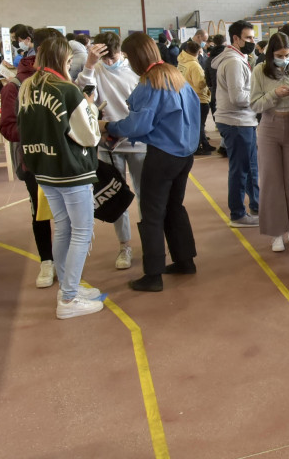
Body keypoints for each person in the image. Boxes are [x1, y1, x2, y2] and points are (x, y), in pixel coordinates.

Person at [103, 33, 200, 292]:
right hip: (184, 154)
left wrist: (109, 126)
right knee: (174, 207)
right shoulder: (175, 75)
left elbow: (139, 124)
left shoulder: (150, 83)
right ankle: (184, 260)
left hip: (162, 155)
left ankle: (153, 274)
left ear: (135, 57)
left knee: (152, 213)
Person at [17, 35, 104, 319]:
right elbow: (89, 135)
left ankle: (70, 286)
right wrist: (90, 106)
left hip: (44, 169)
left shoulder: (27, 87)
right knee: (82, 231)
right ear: (64, 60)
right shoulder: (67, 90)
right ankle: (68, 298)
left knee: (64, 228)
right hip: (71, 170)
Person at [76, 31, 145, 269]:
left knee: (143, 193)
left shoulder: (134, 71)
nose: (109, 62)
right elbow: (81, 94)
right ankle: (124, 245)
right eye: (104, 58)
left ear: (121, 52)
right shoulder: (95, 69)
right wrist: (89, 64)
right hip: (108, 143)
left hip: (136, 142)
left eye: (112, 57)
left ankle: (149, 241)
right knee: (115, 193)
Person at [0, 29, 57, 288]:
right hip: (34, 162)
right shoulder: (16, 86)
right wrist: (38, 129)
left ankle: (67, 262)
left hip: (64, 161)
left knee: (70, 215)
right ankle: (47, 260)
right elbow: (8, 127)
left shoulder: (62, 79)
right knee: (40, 210)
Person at [250, 32, 289, 252]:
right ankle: (277, 233)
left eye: (287, 54)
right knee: (271, 180)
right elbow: (254, 105)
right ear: (270, 54)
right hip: (268, 125)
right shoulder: (259, 71)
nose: (284, 58)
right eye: (279, 54)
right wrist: (274, 94)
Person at [212, 20, 260, 227]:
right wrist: (260, 95)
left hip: (243, 121)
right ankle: (238, 214)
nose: (252, 41)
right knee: (240, 169)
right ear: (236, 39)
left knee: (250, 167)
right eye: (248, 38)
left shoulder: (238, 58)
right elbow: (238, 97)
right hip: (236, 121)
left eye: (253, 37)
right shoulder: (233, 62)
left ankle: (256, 205)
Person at [177, 40, 213, 155]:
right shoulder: (195, 65)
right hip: (198, 98)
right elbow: (200, 84)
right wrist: (208, 80)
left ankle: (204, 144)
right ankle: (197, 146)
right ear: (198, 51)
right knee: (199, 124)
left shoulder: (182, 61)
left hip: (187, 96)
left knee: (195, 124)